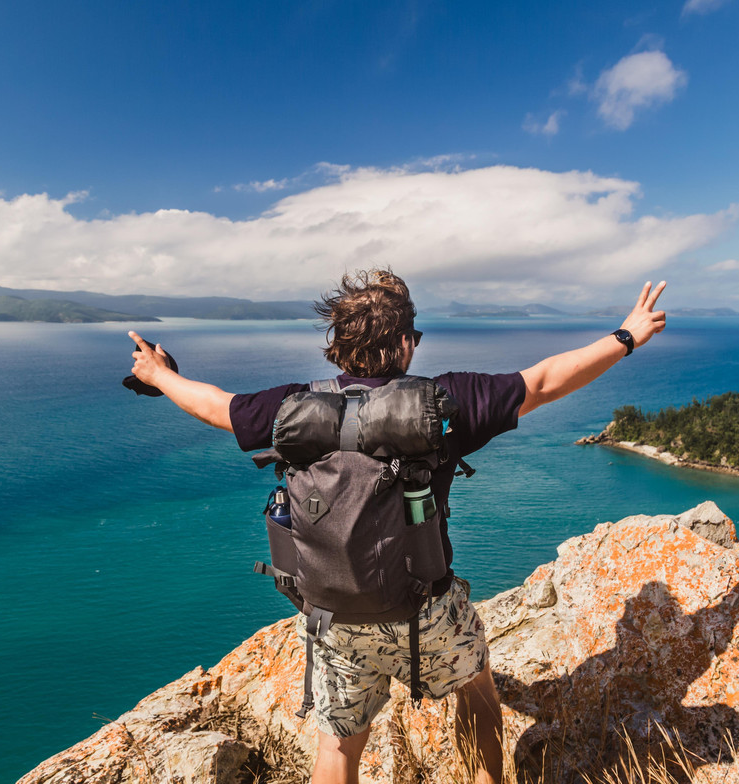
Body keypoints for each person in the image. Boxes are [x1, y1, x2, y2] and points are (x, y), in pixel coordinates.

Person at [128, 269, 667, 784]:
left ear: (337, 345)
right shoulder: (442, 403)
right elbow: (545, 382)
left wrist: (159, 375)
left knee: (338, 744)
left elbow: (216, 406)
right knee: (477, 690)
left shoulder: (291, 407)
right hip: (425, 610)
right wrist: (626, 337)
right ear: (406, 343)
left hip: (331, 614)